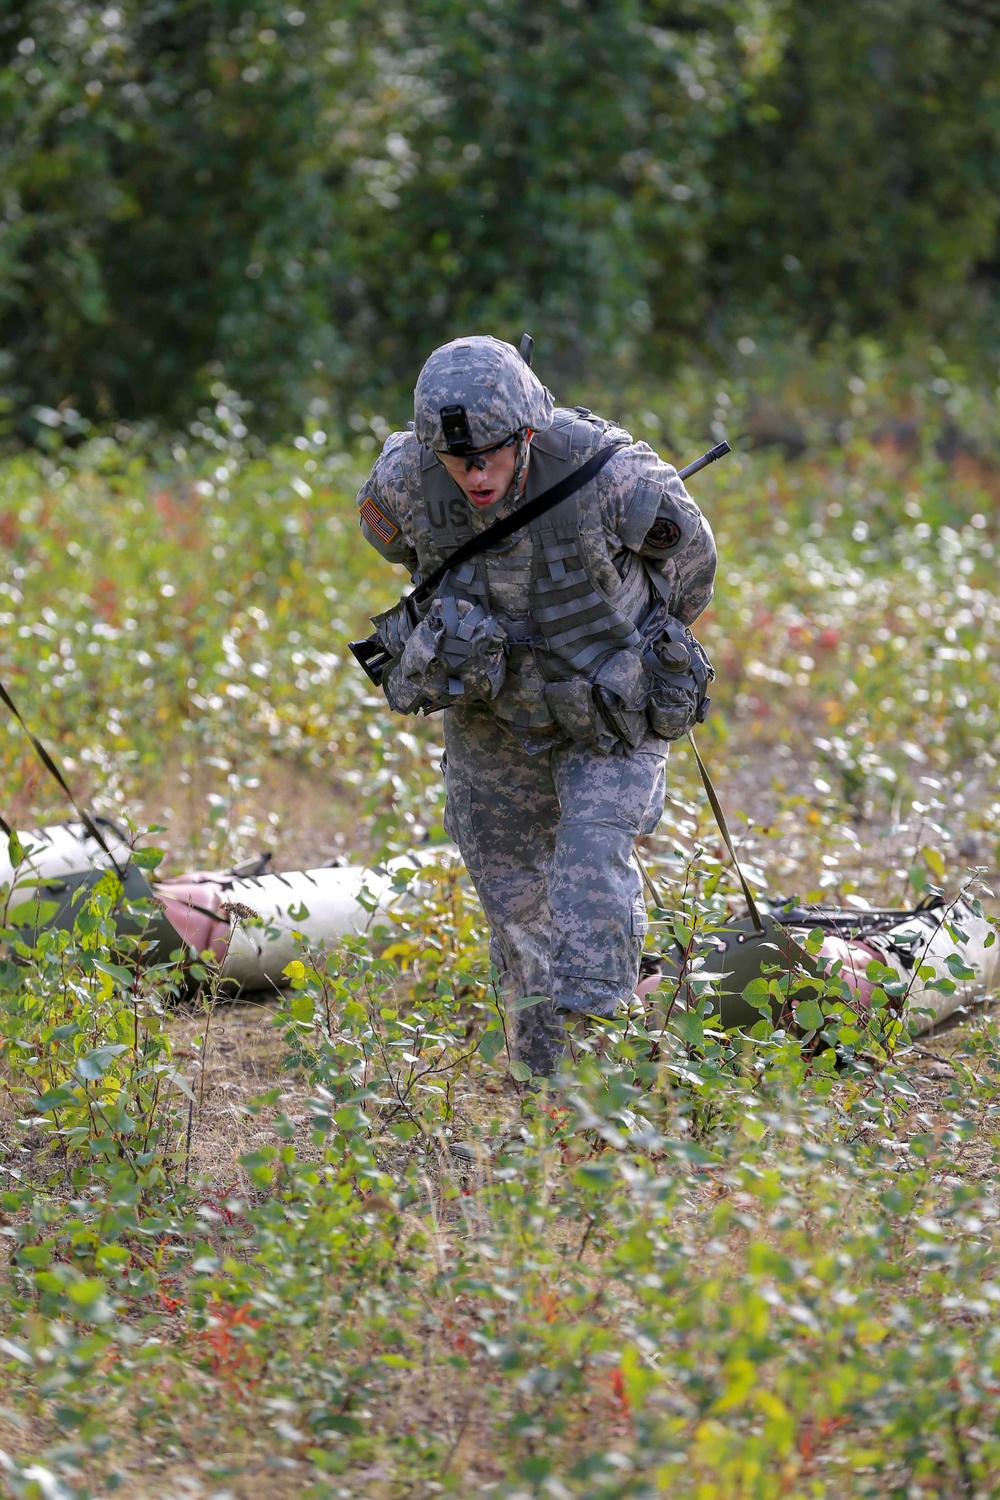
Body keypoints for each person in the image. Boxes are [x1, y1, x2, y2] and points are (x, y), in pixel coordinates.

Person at [356, 335, 716, 1075]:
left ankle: (607, 1072)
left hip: (610, 713)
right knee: (517, 907)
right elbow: (399, 554)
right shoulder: (402, 486)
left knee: (589, 865)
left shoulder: (614, 478)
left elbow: (693, 574)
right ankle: (548, 1092)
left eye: (491, 452)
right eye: (457, 459)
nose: (475, 473)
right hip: (492, 718)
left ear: (527, 432)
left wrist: (621, 643)